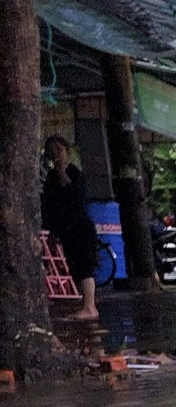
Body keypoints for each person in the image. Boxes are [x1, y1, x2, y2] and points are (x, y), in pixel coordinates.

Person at [40, 136, 99, 321]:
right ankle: (85, 306)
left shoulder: (75, 174)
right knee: (75, 267)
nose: (55, 154)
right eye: (51, 151)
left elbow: (76, 195)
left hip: (80, 227)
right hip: (65, 230)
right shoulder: (50, 178)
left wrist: (62, 172)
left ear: (67, 151)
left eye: (59, 149)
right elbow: (48, 204)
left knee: (85, 267)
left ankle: (90, 307)